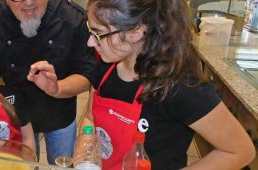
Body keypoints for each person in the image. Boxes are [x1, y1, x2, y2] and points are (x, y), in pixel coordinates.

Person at [79, 0, 255, 170]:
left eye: (98, 34)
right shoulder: (105, 67)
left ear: (136, 32)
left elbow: (239, 151)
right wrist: (84, 153)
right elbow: (90, 118)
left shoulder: (179, 87)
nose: (90, 42)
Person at [0, 0, 95, 164]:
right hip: (18, 114)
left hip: (60, 111)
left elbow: (86, 77)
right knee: (26, 166)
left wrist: (57, 88)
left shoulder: (72, 17)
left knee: (62, 165)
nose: (29, 2)